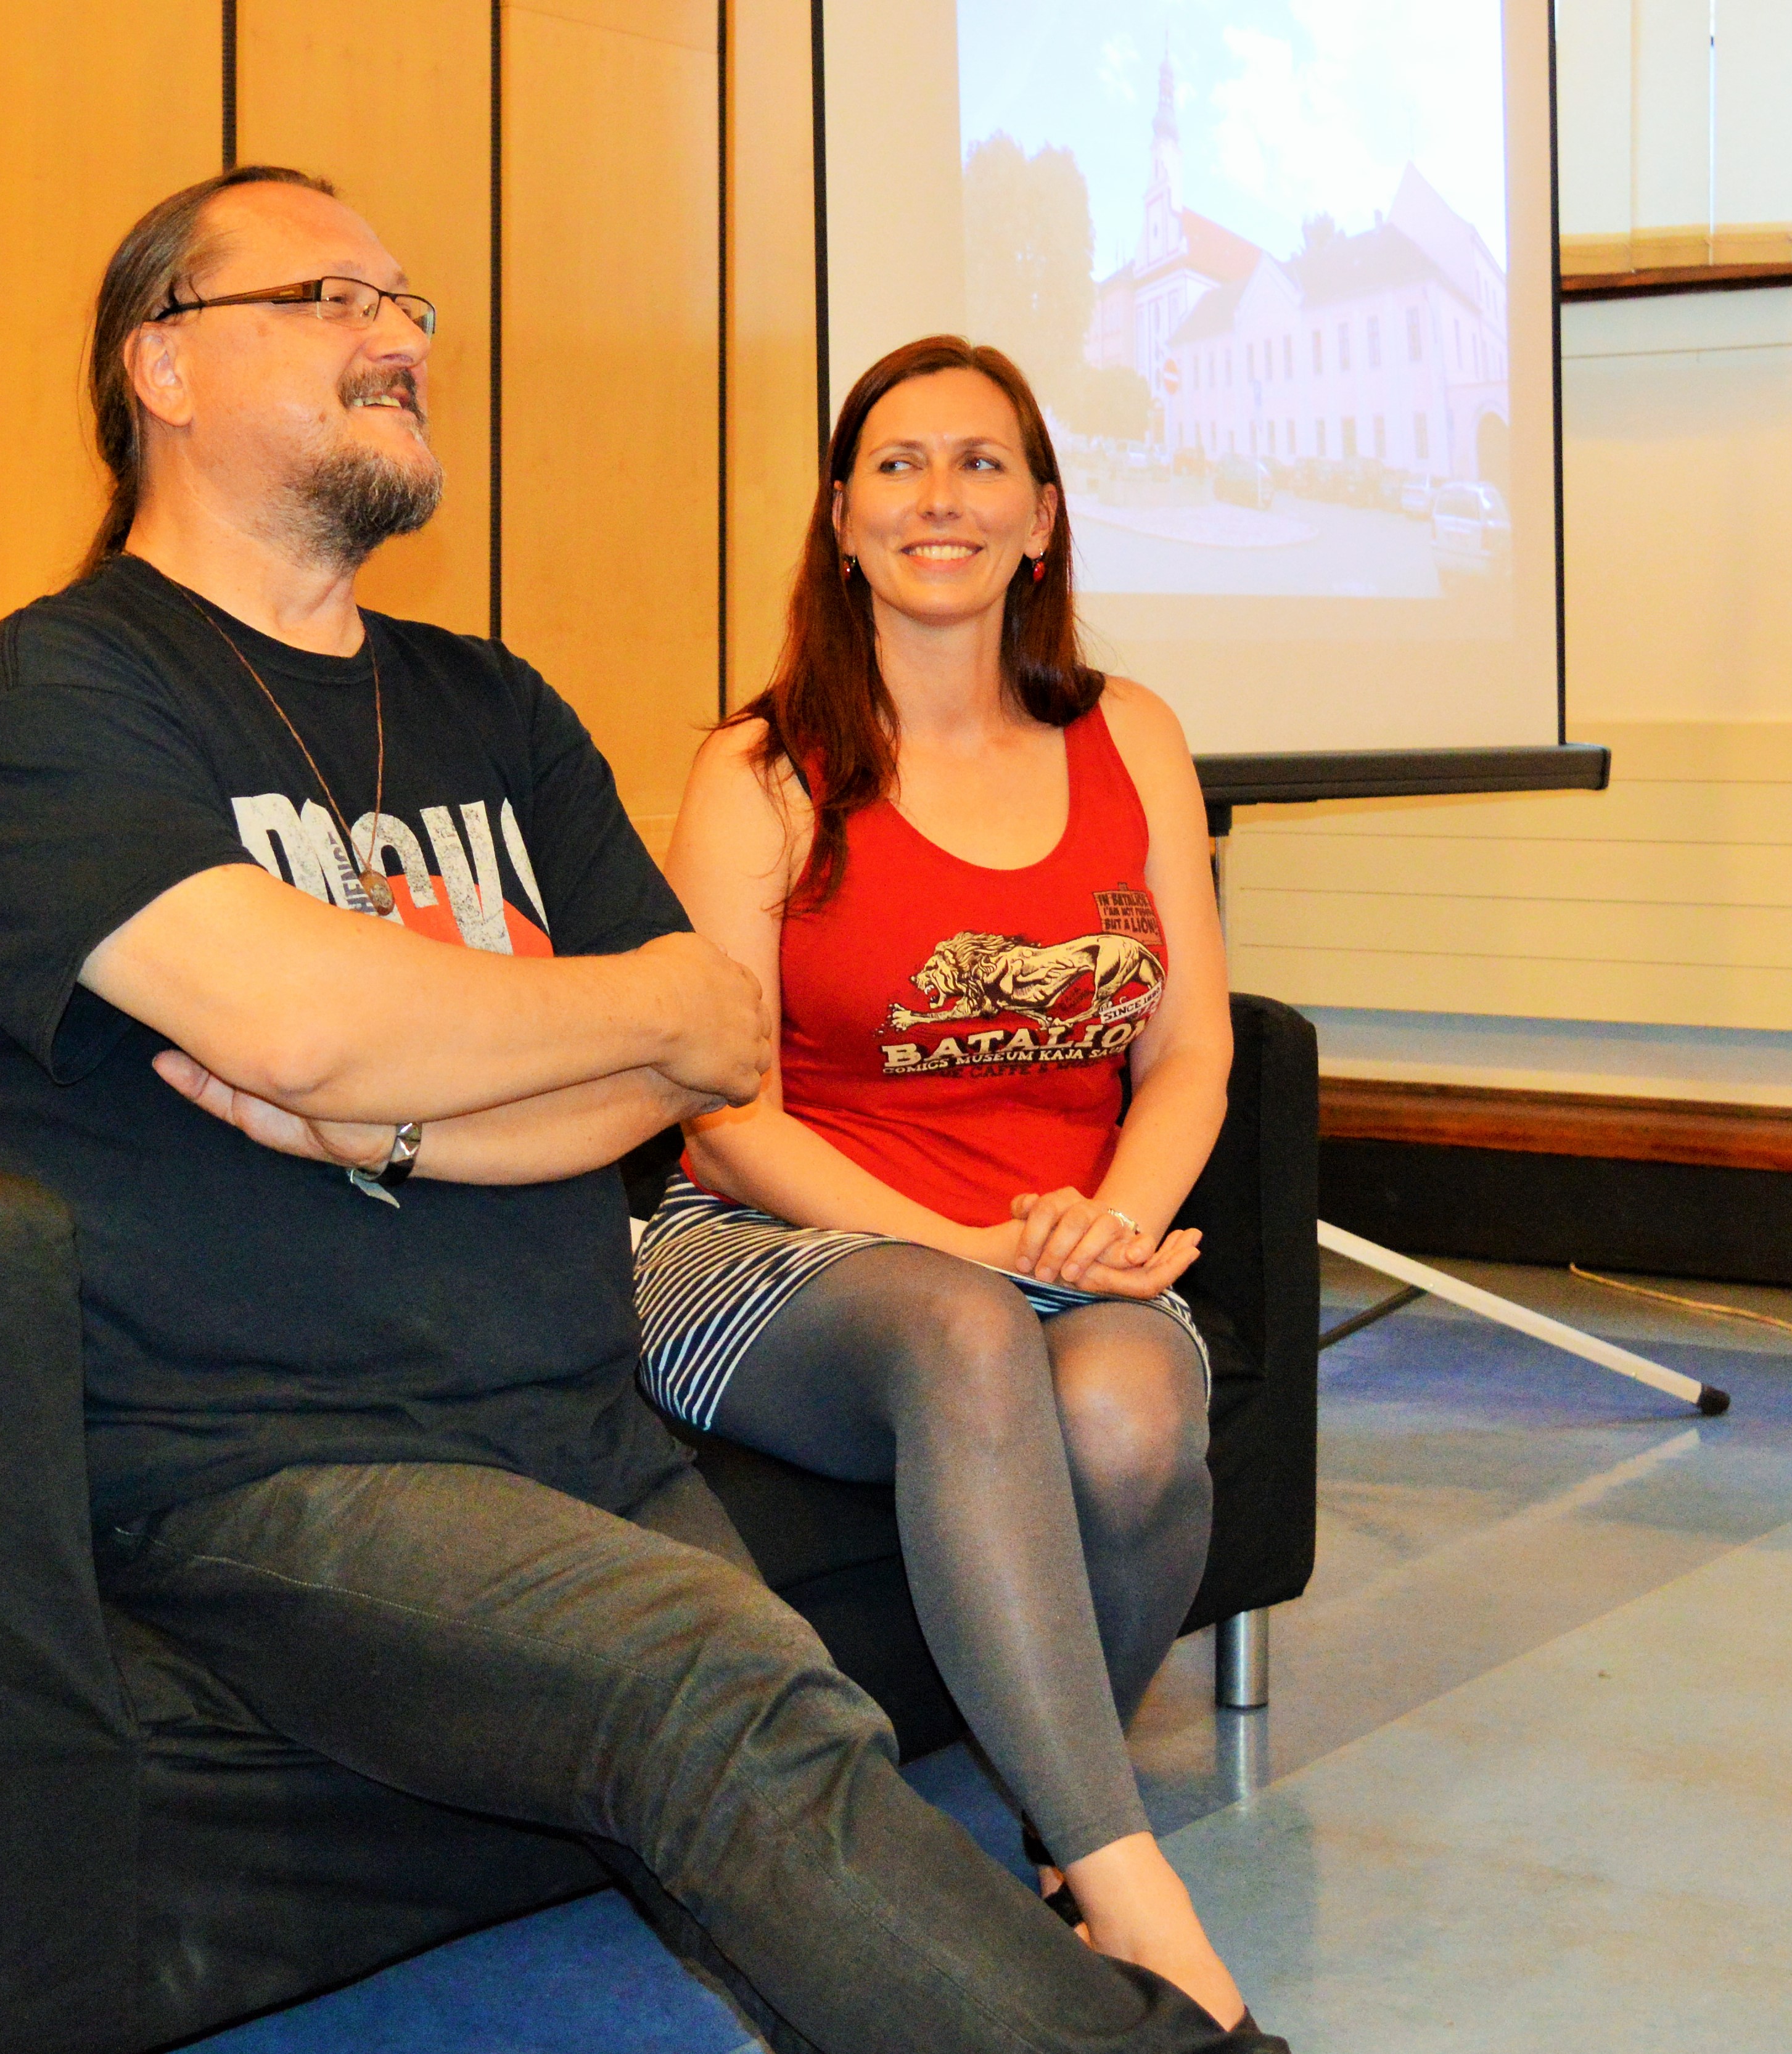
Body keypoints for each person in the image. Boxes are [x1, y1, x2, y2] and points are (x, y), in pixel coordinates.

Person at [0, 165, 1278, 2053]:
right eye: (328, 299)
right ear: (163, 365)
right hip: (266, 1461)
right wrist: (514, 1034)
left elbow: (702, 1045)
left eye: (405, 304)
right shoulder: (55, 694)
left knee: (788, 1739)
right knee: (728, 1690)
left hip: (575, 1421)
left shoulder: (492, 707)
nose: (398, 337)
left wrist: (403, 1114)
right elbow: (301, 1024)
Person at [637, 334, 1248, 2026]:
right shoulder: (759, 770)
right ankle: (1141, 1903)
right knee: (968, 1331)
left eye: (983, 464)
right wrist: (974, 1248)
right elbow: (724, 1113)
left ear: (1042, 518)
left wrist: (1110, 1227)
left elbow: (1192, 1051)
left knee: (1129, 1411)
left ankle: (1058, 1848)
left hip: (1060, 1245)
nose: (941, 499)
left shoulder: (1133, 734)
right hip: (776, 1242)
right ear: (842, 519)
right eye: (899, 464)